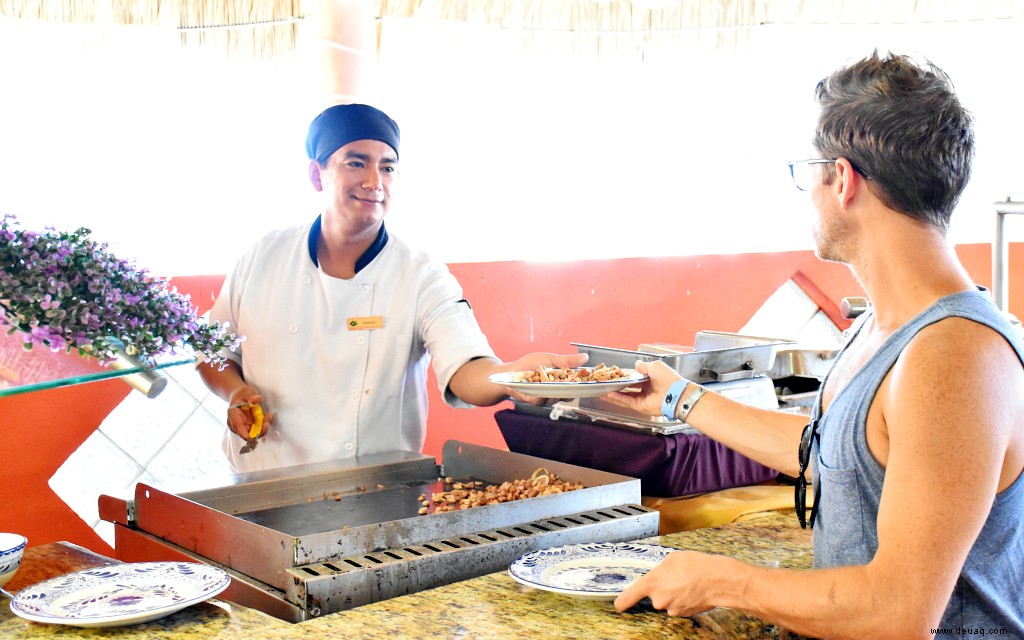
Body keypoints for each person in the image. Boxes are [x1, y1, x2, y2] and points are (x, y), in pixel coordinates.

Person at [605, 51, 1024, 638]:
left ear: (844, 179)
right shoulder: (880, 326)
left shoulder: (955, 355)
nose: (810, 193)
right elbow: (835, 455)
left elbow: (898, 610)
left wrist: (726, 581)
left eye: (811, 172)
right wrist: (677, 399)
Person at [199, 103, 585, 473]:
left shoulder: (419, 274)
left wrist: (513, 378)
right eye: (356, 162)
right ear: (317, 174)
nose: (374, 182)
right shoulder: (264, 256)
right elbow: (211, 352)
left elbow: (466, 368)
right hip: (262, 488)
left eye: (387, 167)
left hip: (374, 494)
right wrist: (235, 392)